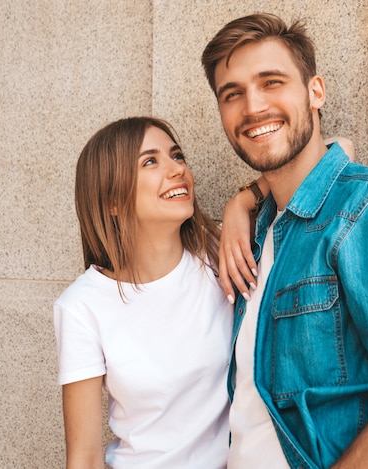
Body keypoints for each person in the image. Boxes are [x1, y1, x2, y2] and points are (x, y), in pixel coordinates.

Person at [201, 13, 368, 469]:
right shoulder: (261, 230)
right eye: (233, 94)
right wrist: (244, 200)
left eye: (272, 82)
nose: (252, 107)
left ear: (315, 92)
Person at [53, 116, 235, 469]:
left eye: (177, 155)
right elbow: (85, 458)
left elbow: (333, 155)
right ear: (112, 202)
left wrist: (244, 200)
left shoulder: (218, 252)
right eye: (150, 161)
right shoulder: (82, 306)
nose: (176, 169)